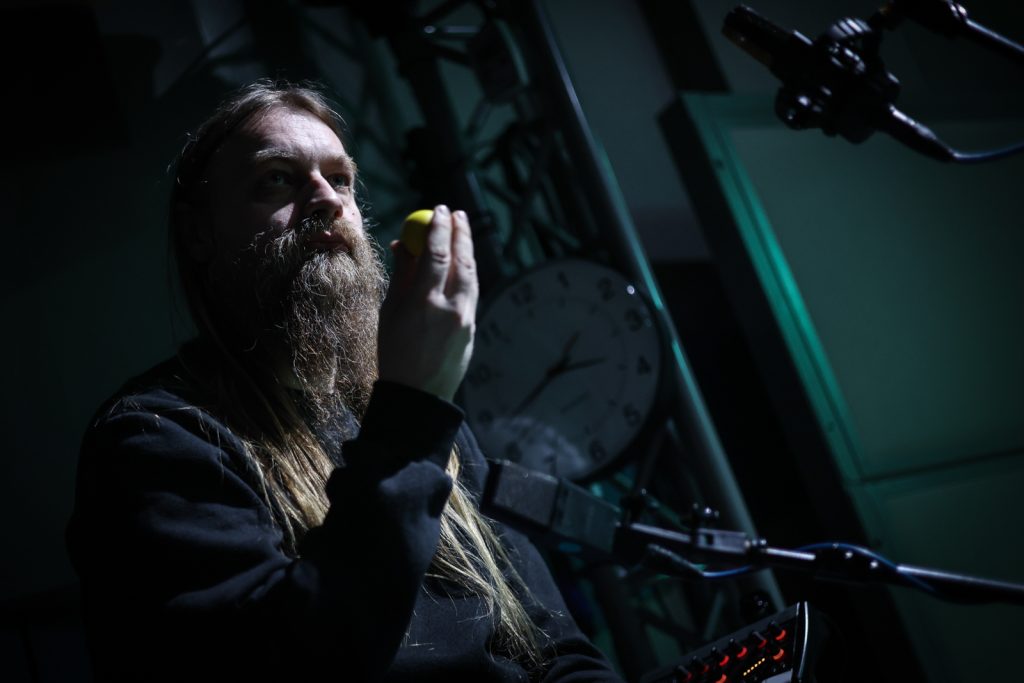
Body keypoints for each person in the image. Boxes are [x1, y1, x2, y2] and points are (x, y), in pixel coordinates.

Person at [66, 80, 624, 682]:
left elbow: (556, 648)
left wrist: (415, 408)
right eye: (277, 178)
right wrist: (413, 410)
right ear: (200, 233)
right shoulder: (159, 438)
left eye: (341, 178)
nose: (326, 199)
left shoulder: (407, 412)